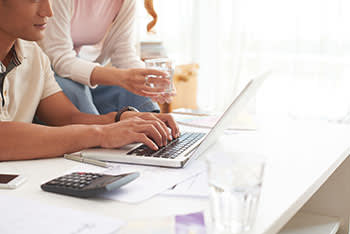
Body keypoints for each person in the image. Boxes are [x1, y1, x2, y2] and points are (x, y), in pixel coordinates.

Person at [0, 0, 179, 162]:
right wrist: (101, 134)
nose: (48, 11)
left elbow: (67, 117)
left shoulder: (34, 56)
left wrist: (121, 120)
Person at [38, 0, 174, 115]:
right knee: (77, 91)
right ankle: (98, 137)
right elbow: (59, 59)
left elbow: (124, 54)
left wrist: (150, 80)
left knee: (136, 91)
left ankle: (157, 136)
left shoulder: (125, 2)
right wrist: (123, 77)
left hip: (83, 68)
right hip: (47, 69)